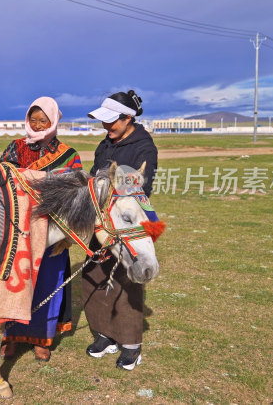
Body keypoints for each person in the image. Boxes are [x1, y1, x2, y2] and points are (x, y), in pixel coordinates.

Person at [0, 96, 82, 362]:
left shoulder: (69, 154)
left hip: (53, 230)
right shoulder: (15, 147)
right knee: (16, 283)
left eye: (42, 120)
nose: (36, 124)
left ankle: (41, 339)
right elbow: (3, 179)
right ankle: (10, 338)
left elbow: (76, 189)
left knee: (47, 282)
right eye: (32, 119)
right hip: (19, 229)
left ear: (53, 120)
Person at [82, 90, 158, 370]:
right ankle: (104, 334)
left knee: (127, 284)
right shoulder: (106, 144)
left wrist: (110, 194)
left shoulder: (144, 147)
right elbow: (93, 177)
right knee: (94, 277)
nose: (106, 127)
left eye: (111, 122)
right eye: (104, 122)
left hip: (126, 223)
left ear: (128, 119)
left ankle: (130, 345)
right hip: (99, 222)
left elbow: (140, 190)